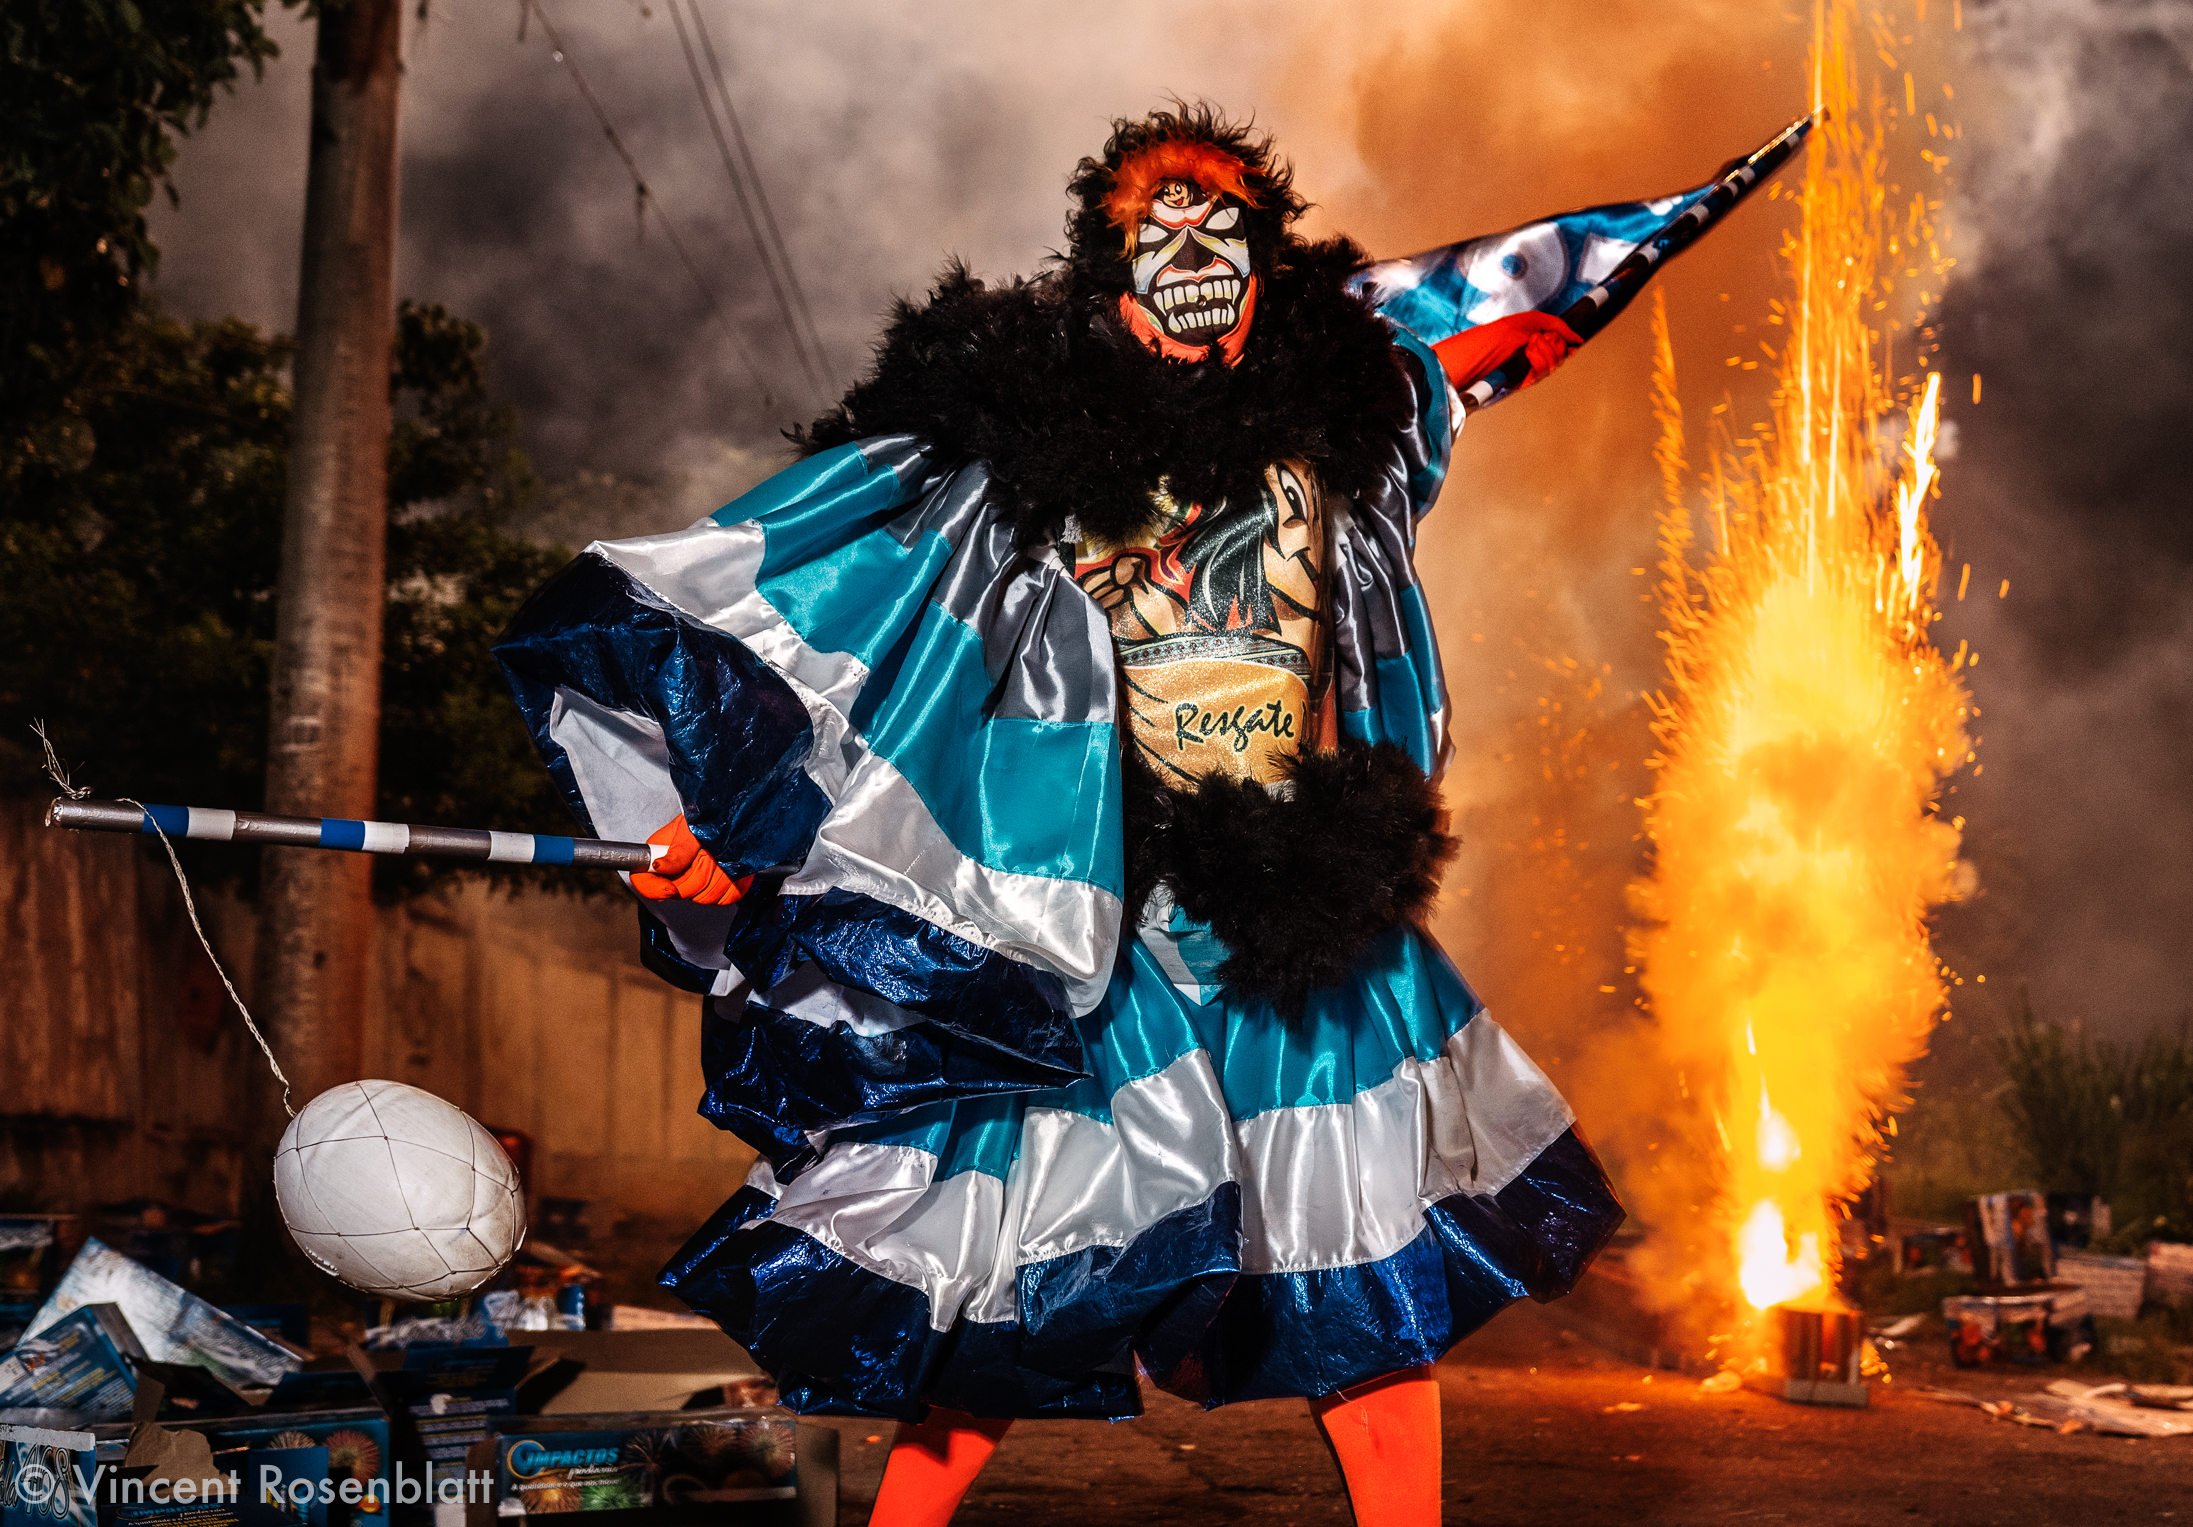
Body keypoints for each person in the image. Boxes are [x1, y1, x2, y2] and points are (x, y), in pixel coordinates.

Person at [495, 103, 1800, 1527]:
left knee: (1361, 1267)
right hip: (1105, 933)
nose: (1189, 259)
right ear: (1105, 277)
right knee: (1020, 1267)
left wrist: (1650, 232)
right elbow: (844, 630)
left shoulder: (1350, 421)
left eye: (1219, 230)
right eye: (1154, 238)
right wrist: (723, 819)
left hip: (1304, 925)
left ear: (1266, 261)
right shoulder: (1012, 471)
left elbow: (1514, 314)